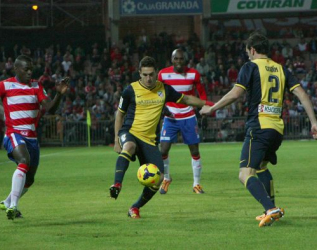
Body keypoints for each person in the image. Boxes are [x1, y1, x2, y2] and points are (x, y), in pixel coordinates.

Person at [200, 32, 317, 227]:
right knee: (261, 166)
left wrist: (212, 108)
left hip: (259, 127)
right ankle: (270, 210)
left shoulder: (251, 66)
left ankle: (270, 208)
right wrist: (313, 121)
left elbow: (236, 93)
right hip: (277, 129)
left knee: (245, 174)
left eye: (248, 52)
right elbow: (302, 94)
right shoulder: (281, 69)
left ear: (252, 50)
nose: (248, 55)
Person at [109, 56, 211, 218]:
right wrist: (116, 140)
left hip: (149, 140)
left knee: (159, 178)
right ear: (139, 74)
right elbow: (119, 114)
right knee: (129, 146)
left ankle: (134, 208)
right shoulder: (130, 90)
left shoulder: (164, 89)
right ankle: (117, 184)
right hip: (131, 132)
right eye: (145, 75)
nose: (148, 78)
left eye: (151, 74)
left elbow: (186, 99)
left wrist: (207, 105)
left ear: (156, 73)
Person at [0, 55, 69, 220]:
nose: (30, 72)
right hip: (13, 133)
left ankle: (8, 202)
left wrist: (59, 94)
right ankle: (14, 207)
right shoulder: (4, 85)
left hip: (32, 138)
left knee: (30, 179)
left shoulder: (36, 86)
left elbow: (50, 109)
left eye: (31, 69)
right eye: (26, 69)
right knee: (24, 160)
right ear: (16, 69)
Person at [157, 49, 207, 195]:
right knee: (163, 150)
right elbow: (158, 93)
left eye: (181, 59)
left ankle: (196, 184)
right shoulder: (163, 74)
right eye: (176, 59)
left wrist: (203, 109)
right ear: (172, 60)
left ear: (186, 60)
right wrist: (162, 109)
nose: (179, 61)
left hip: (188, 116)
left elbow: (202, 93)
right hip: (170, 117)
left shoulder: (194, 74)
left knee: (195, 151)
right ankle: (166, 178)